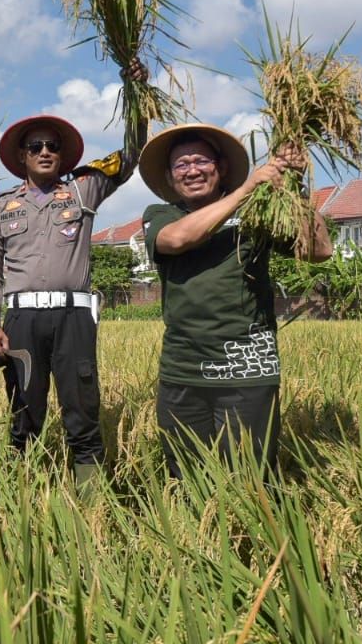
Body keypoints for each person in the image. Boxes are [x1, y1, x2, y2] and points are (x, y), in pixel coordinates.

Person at [0, 63, 148, 491]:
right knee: (24, 411)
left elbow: (131, 156)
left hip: (73, 319)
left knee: (82, 409)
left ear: (62, 153)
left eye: (52, 145)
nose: (45, 151)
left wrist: (137, 96)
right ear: (22, 156)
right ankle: (20, 496)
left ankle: (90, 502)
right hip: (21, 323)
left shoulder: (83, 188)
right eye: (35, 146)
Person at [138, 124, 333, 478]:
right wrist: (248, 189)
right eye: (181, 165)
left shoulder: (258, 213)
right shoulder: (162, 214)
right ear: (169, 176)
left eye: (201, 160)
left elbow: (319, 251)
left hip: (248, 368)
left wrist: (294, 186)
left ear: (221, 167)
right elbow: (179, 239)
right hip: (183, 368)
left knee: (250, 479)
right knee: (187, 478)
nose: (192, 170)